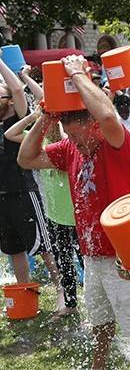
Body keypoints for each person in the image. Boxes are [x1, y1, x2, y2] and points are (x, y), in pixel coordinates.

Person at [17, 54, 130, 370]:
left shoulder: (119, 143)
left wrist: (77, 75)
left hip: (125, 254)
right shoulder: (70, 148)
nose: (76, 143)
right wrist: (47, 116)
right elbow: (26, 158)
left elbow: (109, 117)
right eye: (70, 136)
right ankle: (97, 365)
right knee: (100, 319)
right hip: (92, 254)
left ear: (94, 125)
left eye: (79, 135)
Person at [5, 107, 84, 319]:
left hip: (76, 217)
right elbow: (10, 134)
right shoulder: (41, 149)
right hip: (55, 217)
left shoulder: (68, 146)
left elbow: (65, 135)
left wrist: (54, 117)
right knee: (64, 262)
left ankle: (99, 308)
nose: (45, 128)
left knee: (84, 261)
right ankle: (70, 305)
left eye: (48, 124)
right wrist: (35, 117)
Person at [0, 50, 61, 298]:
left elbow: (15, 89)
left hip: (23, 190)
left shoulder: (19, 117)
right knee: (12, 248)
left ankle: (61, 290)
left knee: (43, 245)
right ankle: (24, 291)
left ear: (12, 102)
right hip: (2, 195)